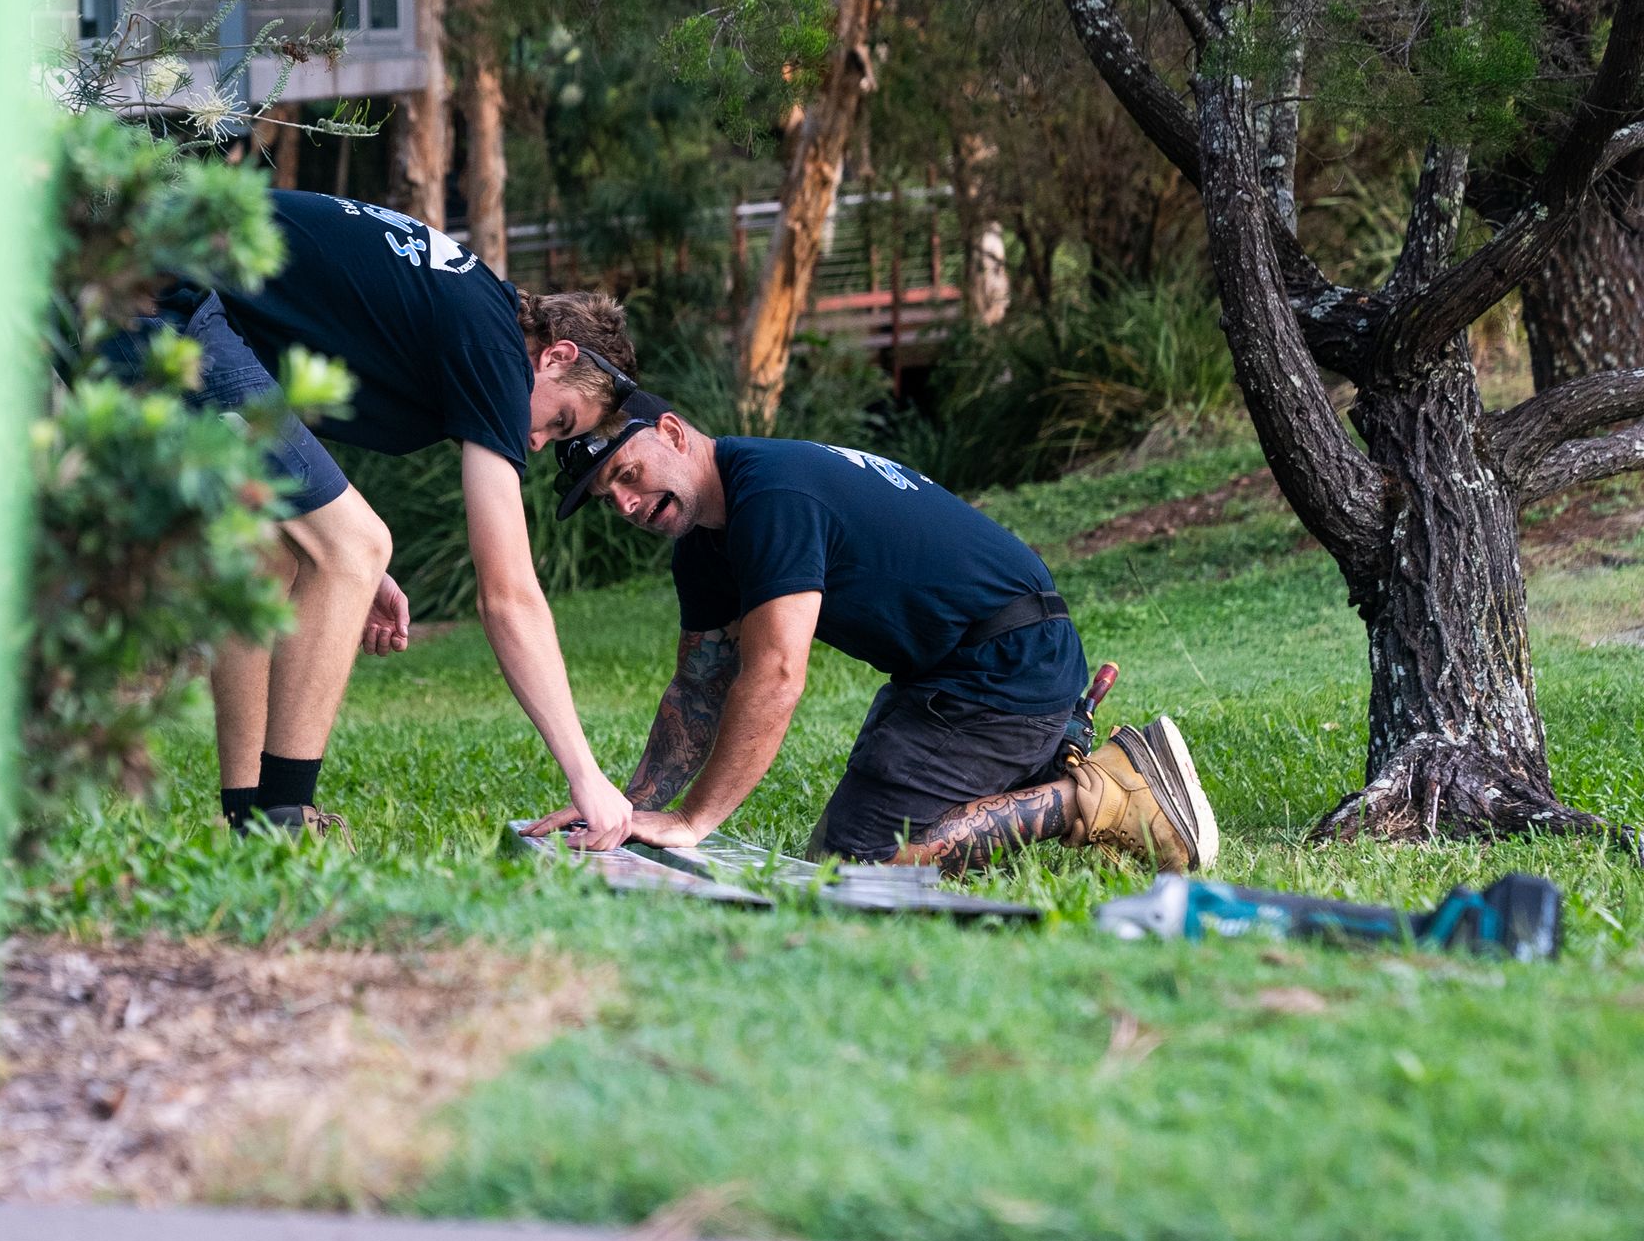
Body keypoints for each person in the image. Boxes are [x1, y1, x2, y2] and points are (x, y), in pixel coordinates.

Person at [114, 189, 640, 845]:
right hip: (159, 301)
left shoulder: (467, 307)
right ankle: (286, 819)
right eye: (558, 419)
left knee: (276, 554)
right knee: (358, 544)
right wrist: (585, 773)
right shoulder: (497, 346)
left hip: (158, 290)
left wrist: (331, 548)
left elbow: (290, 379)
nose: (538, 441)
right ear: (556, 355)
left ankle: (252, 819)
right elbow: (507, 594)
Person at [526, 391, 1218, 874]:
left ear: (673, 434)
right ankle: (1042, 768)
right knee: (832, 852)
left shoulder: (771, 496)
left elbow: (774, 676)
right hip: (948, 671)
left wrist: (692, 820)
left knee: (858, 869)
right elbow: (701, 688)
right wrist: (625, 809)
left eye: (627, 474)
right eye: (606, 498)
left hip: (1008, 666)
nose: (623, 501)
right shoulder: (707, 541)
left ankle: (1099, 795)